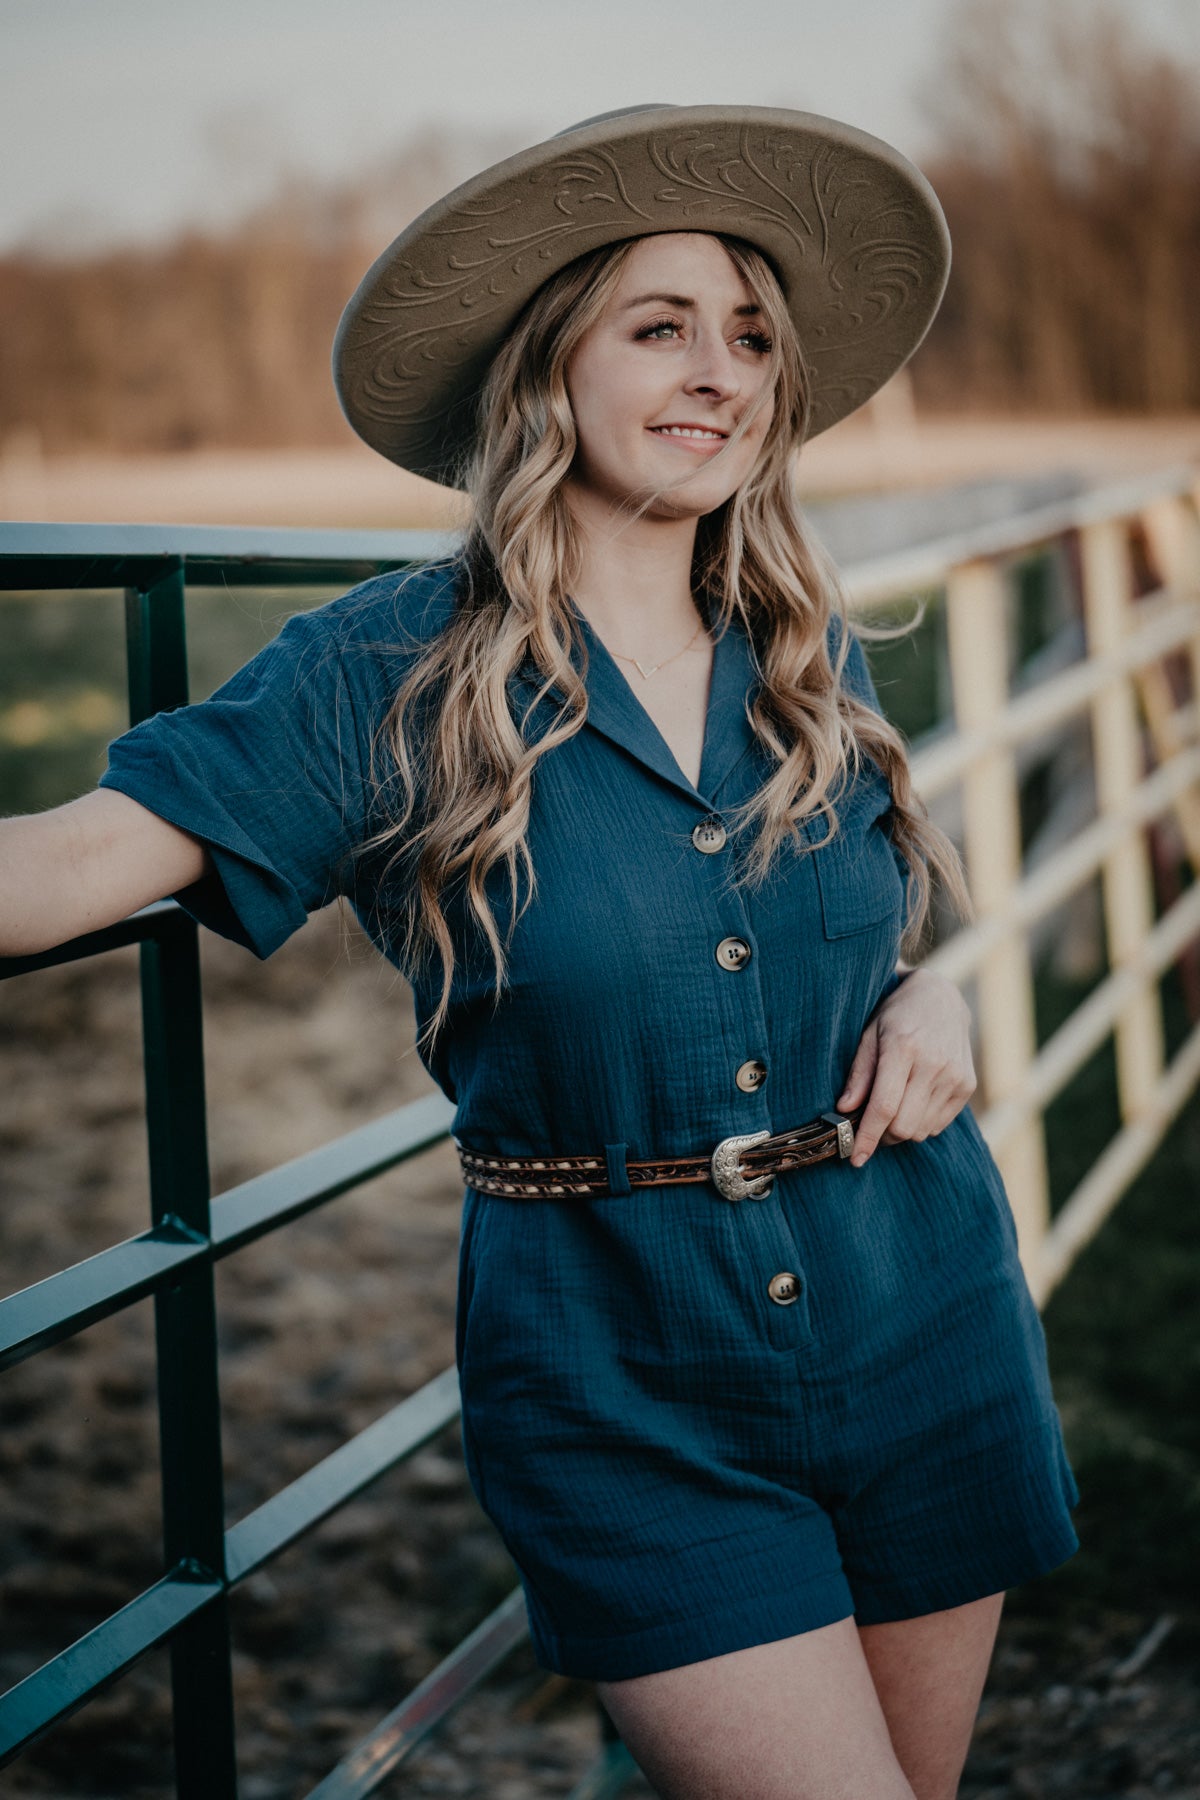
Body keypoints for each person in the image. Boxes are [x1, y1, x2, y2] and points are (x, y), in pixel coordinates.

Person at [1, 107, 1079, 1800]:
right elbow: (58, 870)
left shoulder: (801, 639)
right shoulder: (382, 676)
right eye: (661, 328)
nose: (720, 372)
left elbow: (871, 912)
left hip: (924, 1313)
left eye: (749, 337)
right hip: (621, 1380)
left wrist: (929, 992)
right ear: (546, 367)